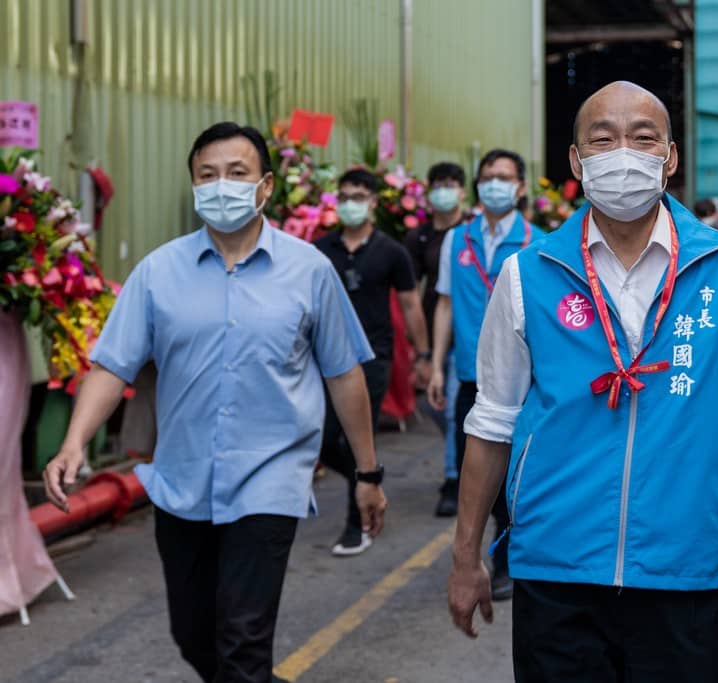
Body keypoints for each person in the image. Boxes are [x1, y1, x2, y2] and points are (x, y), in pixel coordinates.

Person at [447, 81, 718, 681]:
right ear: (578, 162)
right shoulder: (528, 274)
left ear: (671, 156)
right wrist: (465, 555)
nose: (623, 153)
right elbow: (493, 419)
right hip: (555, 567)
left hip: (684, 566)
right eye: (602, 140)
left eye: (643, 137)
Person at [43, 122, 387, 682]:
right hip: (183, 479)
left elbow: (344, 374)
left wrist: (368, 471)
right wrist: (74, 441)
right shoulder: (158, 272)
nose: (221, 186)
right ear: (193, 185)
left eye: (236, 173)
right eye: (207, 175)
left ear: (266, 185)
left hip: (271, 478)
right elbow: (113, 364)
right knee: (193, 634)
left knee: (243, 642)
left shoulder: (309, 271)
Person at [427, 148, 537, 602]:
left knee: (516, 470)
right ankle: (495, 540)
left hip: (523, 381)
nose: (495, 184)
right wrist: (435, 363)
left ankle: (510, 556)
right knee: (479, 463)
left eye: (504, 177)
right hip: (471, 373)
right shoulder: (457, 240)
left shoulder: (538, 242)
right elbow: (446, 304)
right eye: (488, 176)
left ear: (521, 187)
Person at [314, 168, 430, 556]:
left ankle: (355, 524)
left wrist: (424, 355)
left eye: (358, 196)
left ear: (374, 203)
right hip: (326, 358)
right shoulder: (320, 249)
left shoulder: (391, 252)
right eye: (344, 196)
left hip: (372, 357)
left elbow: (411, 304)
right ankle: (369, 482)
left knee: (357, 437)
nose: (350, 203)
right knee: (322, 438)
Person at [404, 162, 468, 517]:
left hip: (467, 332)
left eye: (450, 183)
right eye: (437, 184)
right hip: (433, 328)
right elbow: (413, 294)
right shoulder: (420, 237)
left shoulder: (471, 233)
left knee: (456, 401)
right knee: (436, 404)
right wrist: (422, 349)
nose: (443, 190)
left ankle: (452, 478)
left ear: (461, 190)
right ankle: (459, 456)